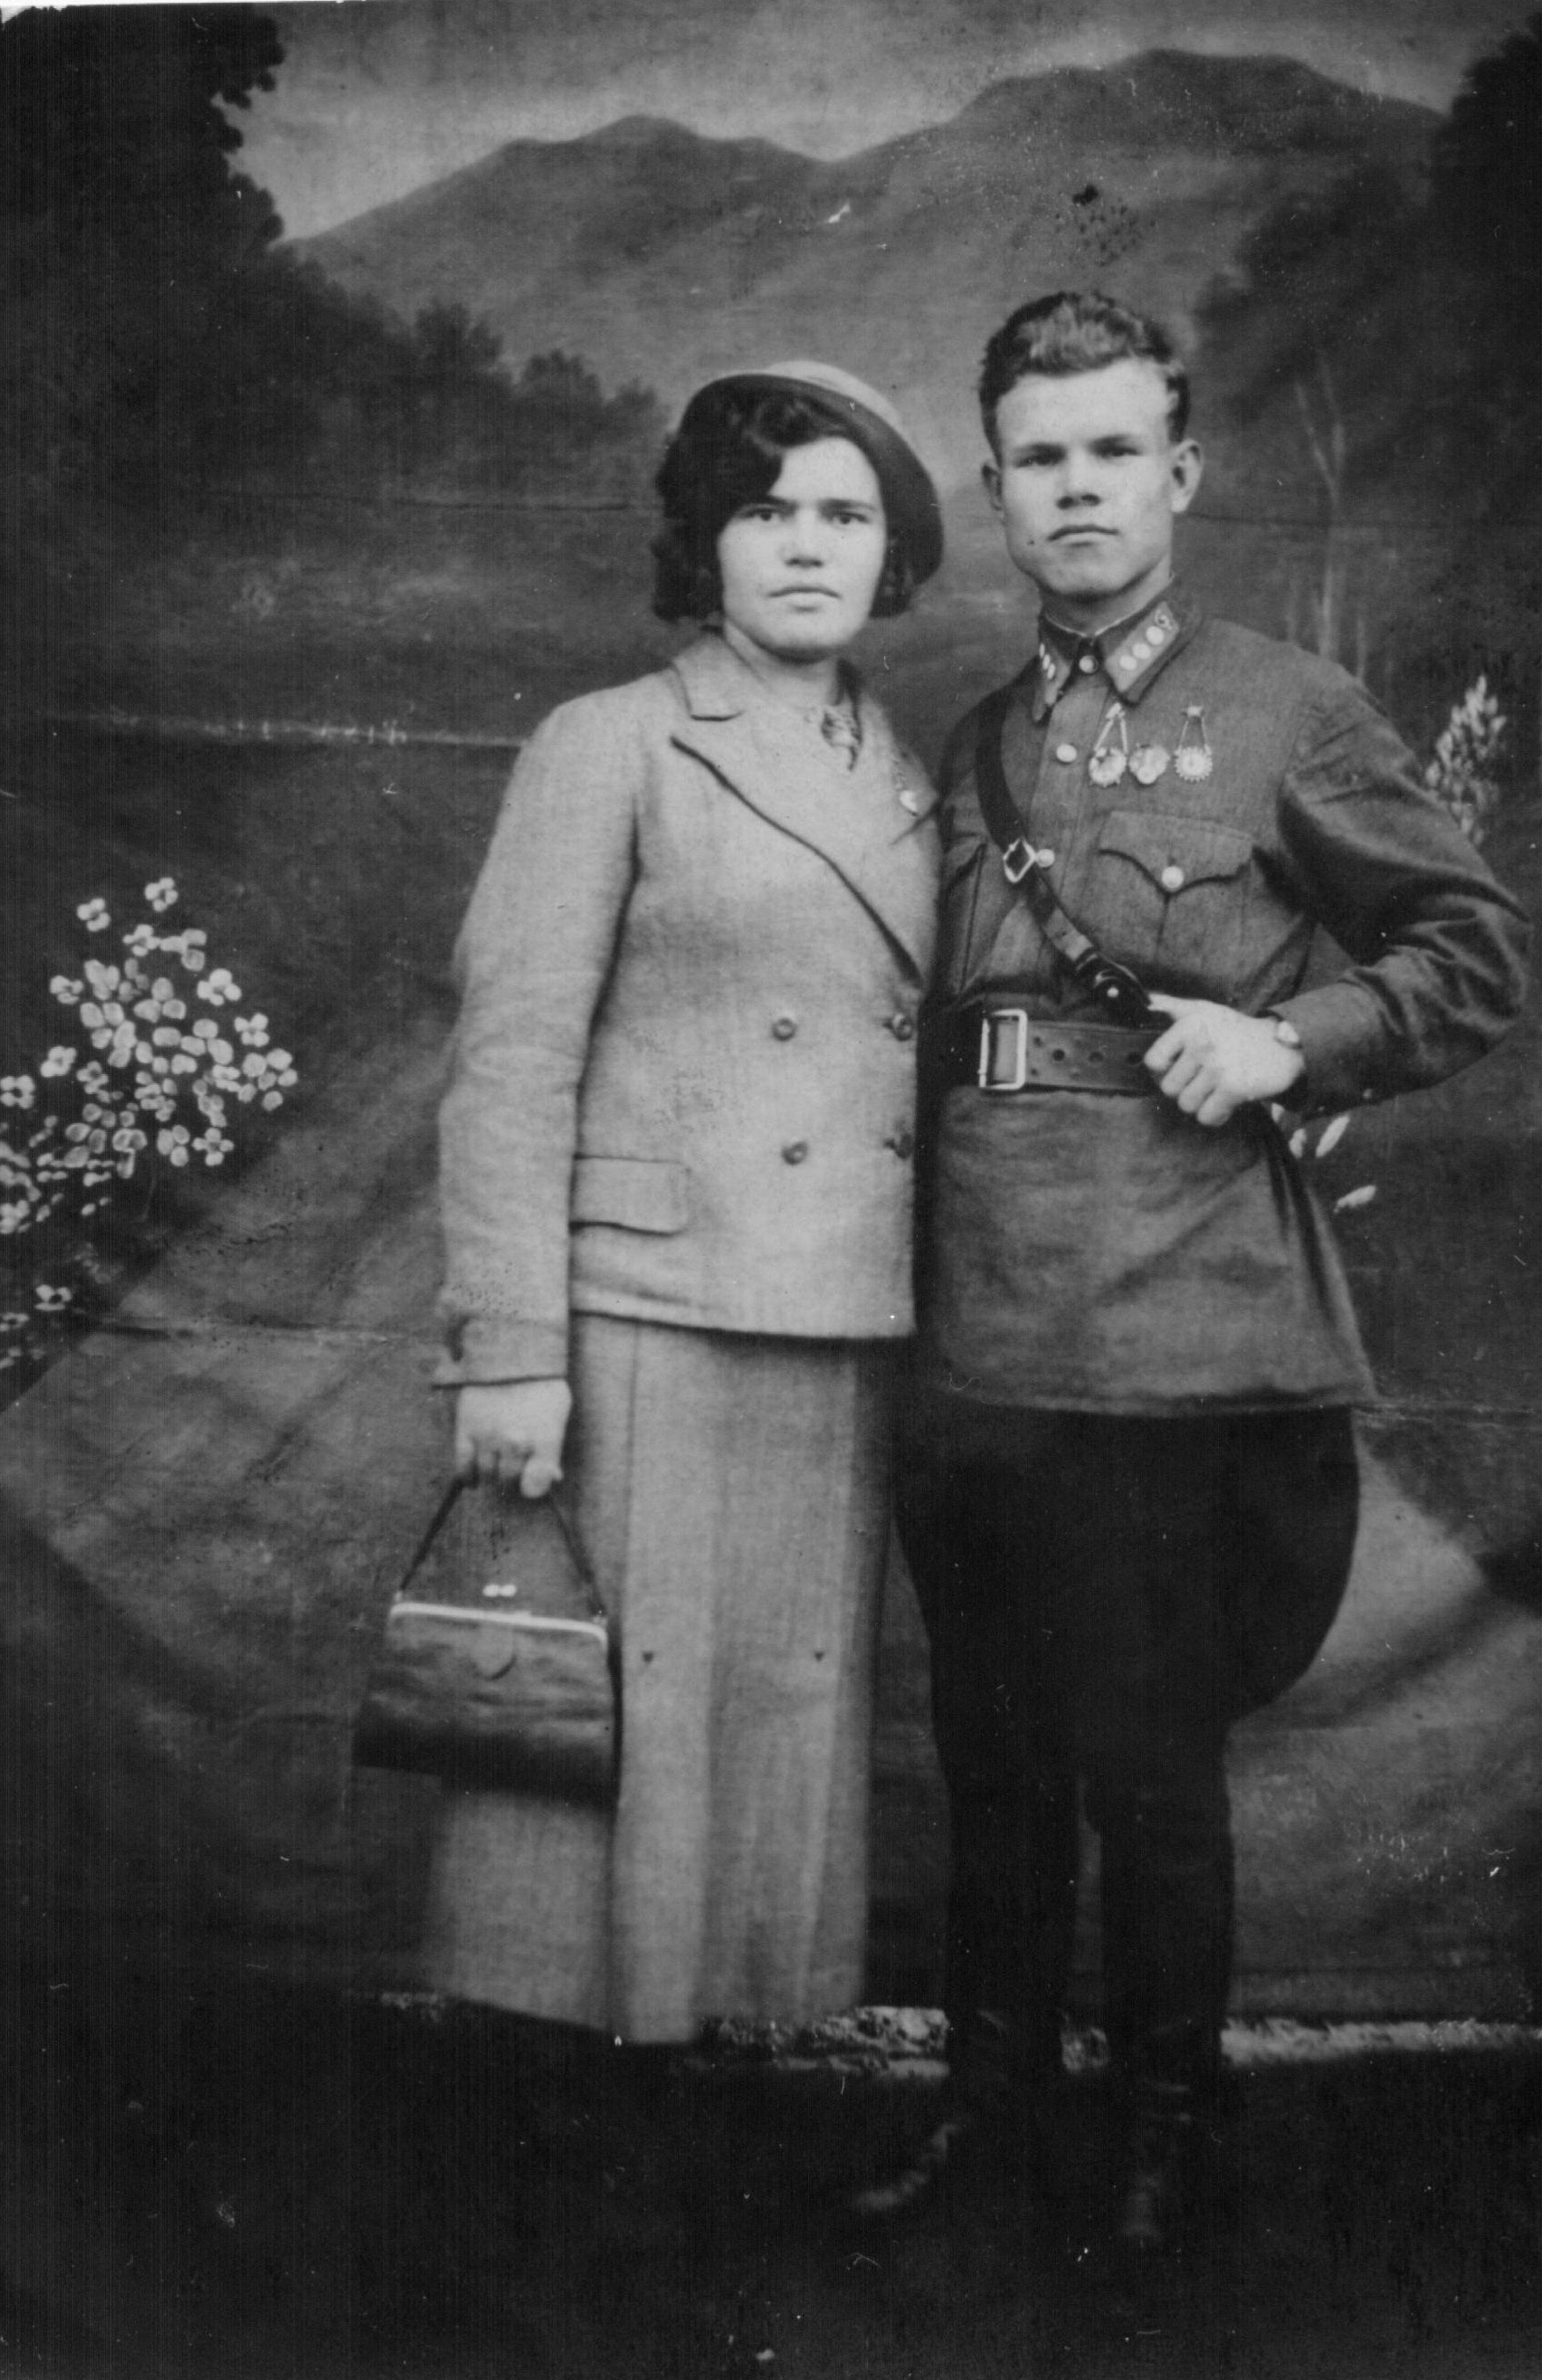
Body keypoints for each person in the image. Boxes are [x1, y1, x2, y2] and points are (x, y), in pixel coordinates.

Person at [878, 292, 1529, 2252]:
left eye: (1111, 452)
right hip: (974, 1335)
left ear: (1178, 473)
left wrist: (1290, 1040)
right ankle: (984, 2118)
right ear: (996, 492)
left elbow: (1471, 950)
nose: (1075, 489)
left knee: (1147, 1762)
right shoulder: (972, 740)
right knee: (992, 1757)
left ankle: (1161, 2137)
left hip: (1175, 1331)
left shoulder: (1285, 708)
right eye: (1038, 459)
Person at [424, 361, 944, 2049]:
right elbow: (509, 1062)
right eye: (763, 509)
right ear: (701, 543)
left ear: (891, 552)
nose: (805, 544)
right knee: (616, 1716)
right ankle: (566, 2105)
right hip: (646, 1310)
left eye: (844, 514)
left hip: (842, 1311)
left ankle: (735, 2068)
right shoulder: (611, 740)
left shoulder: (914, 771)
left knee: (783, 1708)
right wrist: (510, 1347)